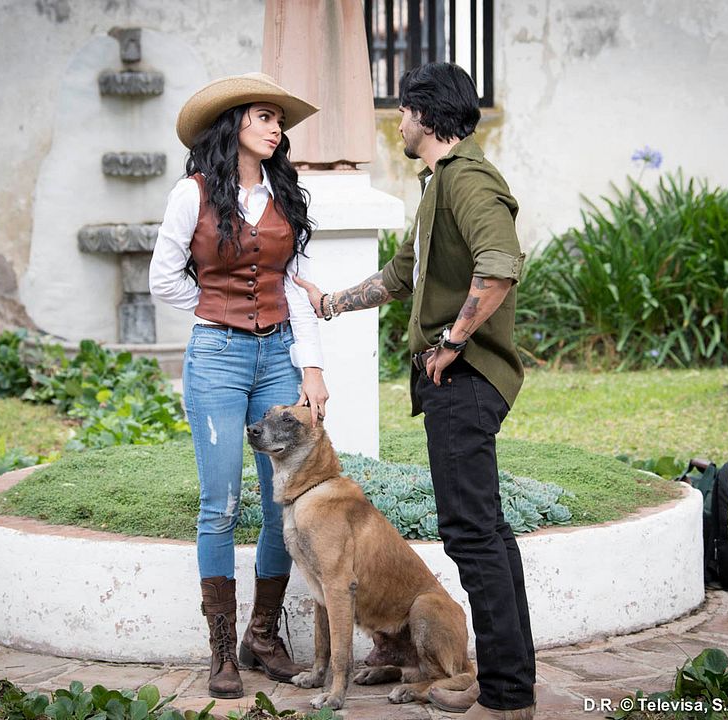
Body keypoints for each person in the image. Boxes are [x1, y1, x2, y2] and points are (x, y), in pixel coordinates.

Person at [293, 62, 536, 720]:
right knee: (487, 531)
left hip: (463, 378)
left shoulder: (470, 182)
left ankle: (509, 697)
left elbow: (500, 266)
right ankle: (510, 679)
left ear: (427, 116)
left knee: (472, 534)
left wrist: (453, 340)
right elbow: (404, 274)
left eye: (403, 112)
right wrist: (333, 302)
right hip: (453, 379)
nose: (396, 122)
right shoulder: (438, 189)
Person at [149, 72, 329, 700]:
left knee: (286, 501)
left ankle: (263, 635)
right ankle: (222, 649)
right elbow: (163, 279)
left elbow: (297, 290)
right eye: (264, 117)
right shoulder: (191, 195)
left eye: (279, 119)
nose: (277, 128)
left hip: (279, 355)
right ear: (234, 127)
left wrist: (312, 369)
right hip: (218, 358)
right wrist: (218, 304)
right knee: (220, 505)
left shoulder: (287, 196)